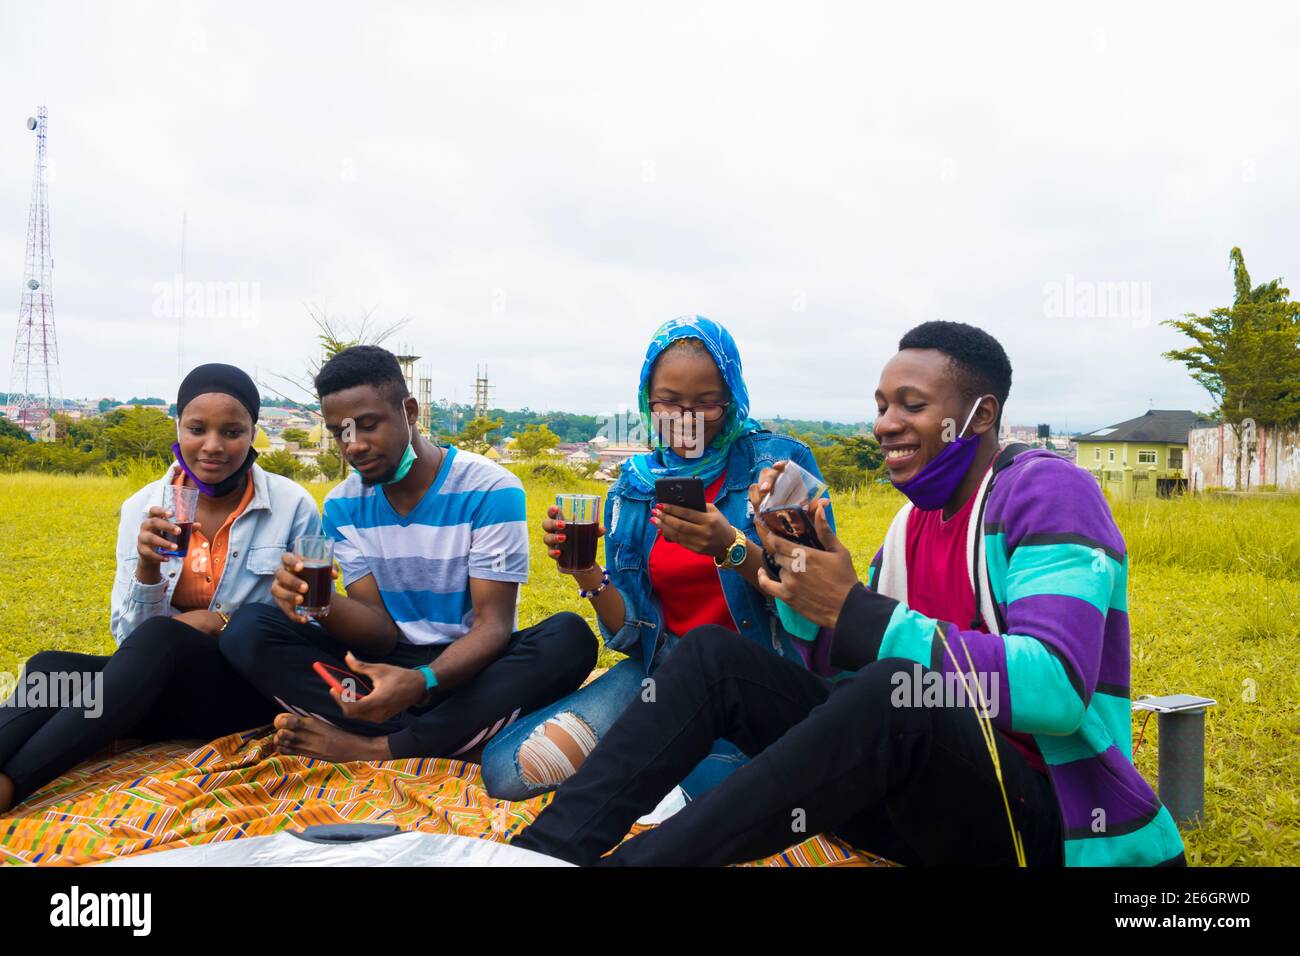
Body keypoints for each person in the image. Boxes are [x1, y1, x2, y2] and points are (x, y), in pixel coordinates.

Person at [511, 320, 1187, 867]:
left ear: (979, 416)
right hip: (928, 808)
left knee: (896, 692)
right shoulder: (911, 523)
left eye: (912, 406)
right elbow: (838, 673)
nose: (886, 424)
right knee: (715, 658)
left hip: (1055, 829)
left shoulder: (1046, 490)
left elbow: (1056, 691)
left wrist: (852, 608)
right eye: (882, 405)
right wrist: (798, 582)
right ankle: (542, 855)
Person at [480, 316, 834, 810]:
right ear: (648, 399)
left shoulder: (779, 465)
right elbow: (633, 632)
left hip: (764, 682)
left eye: (706, 401)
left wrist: (732, 548)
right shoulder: (633, 486)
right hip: (664, 676)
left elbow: (818, 600)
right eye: (669, 401)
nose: (687, 418)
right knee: (510, 771)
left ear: (731, 395)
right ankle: (681, 760)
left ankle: (705, 765)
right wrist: (586, 574)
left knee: (664, 805)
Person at [218, 345, 597, 763]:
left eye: (368, 425)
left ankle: (379, 744)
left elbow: (493, 626)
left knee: (568, 637)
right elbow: (378, 633)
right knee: (249, 628)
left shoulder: (490, 488)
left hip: (472, 669)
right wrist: (321, 602)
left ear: (410, 411)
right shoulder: (343, 505)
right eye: (340, 431)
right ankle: (445, 732)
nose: (354, 445)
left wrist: (422, 681)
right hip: (381, 673)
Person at [0, 364, 321, 813]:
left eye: (232, 431)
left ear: (253, 434)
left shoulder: (291, 506)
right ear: (178, 427)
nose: (212, 446)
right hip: (160, 684)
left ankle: (13, 785)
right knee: (50, 667)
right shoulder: (143, 507)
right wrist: (148, 568)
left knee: (165, 638)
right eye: (197, 428)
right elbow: (129, 641)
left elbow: (307, 622)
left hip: (246, 693)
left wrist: (220, 623)